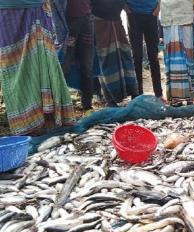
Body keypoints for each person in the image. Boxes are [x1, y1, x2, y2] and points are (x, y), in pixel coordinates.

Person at [0, 0, 75, 135]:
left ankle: (49, 119)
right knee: (15, 67)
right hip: (10, 14)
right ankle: (28, 123)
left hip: (38, 12)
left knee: (44, 60)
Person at [91, 0, 139, 107]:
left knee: (125, 56)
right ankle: (110, 99)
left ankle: (134, 93)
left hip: (116, 21)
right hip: (100, 22)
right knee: (106, 60)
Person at [126, 0, 166, 103]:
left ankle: (159, 94)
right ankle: (137, 95)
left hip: (151, 14)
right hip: (133, 14)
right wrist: (126, 9)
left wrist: (158, 8)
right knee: (137, 56)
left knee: (153, 56)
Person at [160, 0, 194, 106]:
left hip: (185, 18)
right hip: (169, 18)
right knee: (172, 57)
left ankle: (190, 96)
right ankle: (175, 98)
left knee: (188, 56)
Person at [63, 0, 94, 112]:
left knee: (86, 65)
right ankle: (62, 106)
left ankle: (87, 104)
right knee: (64, 65)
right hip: (68, 23)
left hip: (86, 20)